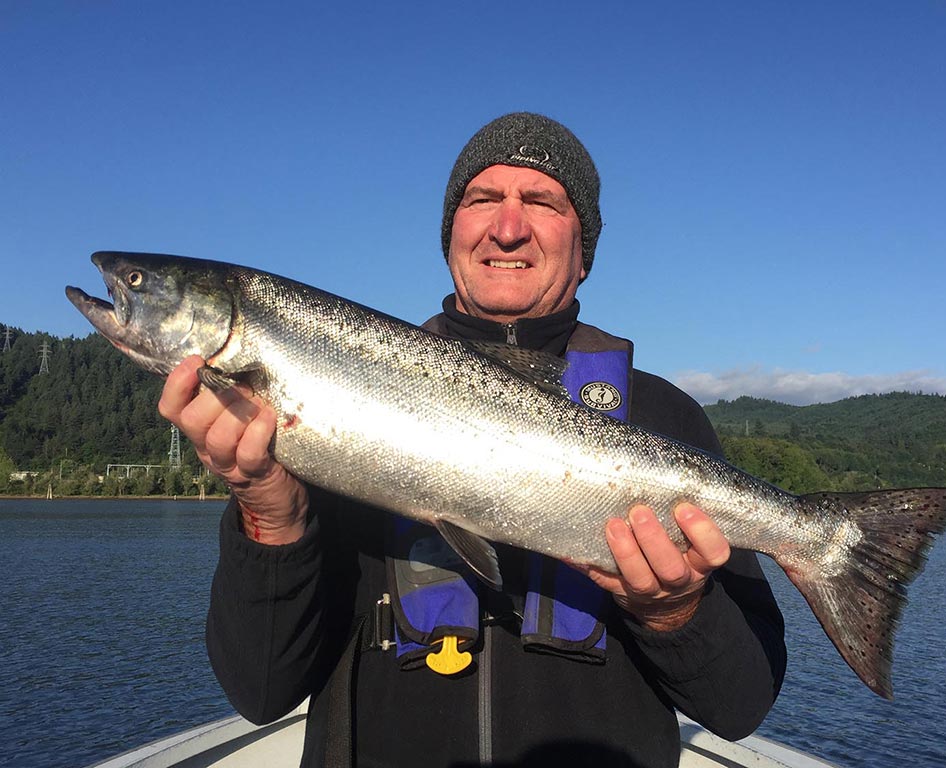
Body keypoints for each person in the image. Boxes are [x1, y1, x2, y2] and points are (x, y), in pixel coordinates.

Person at [159, 112, 787, 768]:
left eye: (541, 201)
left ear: (584, 253)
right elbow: (261, 692)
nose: (507, 225)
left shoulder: (663, 418)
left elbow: (740, 707)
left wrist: (675, 614)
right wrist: (269, 513)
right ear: (451, 235)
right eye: (481, 198)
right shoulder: (329, 412)